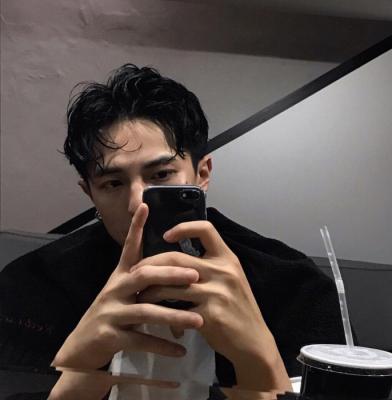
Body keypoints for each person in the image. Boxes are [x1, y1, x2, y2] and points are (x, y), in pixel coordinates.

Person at [0, 64, 345, 399]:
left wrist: (257, 355)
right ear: (89, 193)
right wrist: (78, 373)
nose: (138, 204)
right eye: (113, 183)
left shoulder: (293, 284)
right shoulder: (35, 282)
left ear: (202, 174)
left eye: (161, 175)